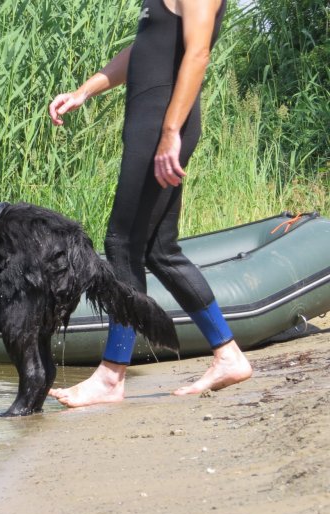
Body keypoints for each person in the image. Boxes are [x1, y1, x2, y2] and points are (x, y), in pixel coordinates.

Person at [47, 0, 251, 407]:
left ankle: (110, 376)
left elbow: (198, 51)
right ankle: (227, 355)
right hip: (151, 122)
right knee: (160, 250)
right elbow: (144, 50)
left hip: (162, 122)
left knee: (123, 244)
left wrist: (170, 131)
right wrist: (84, 91)